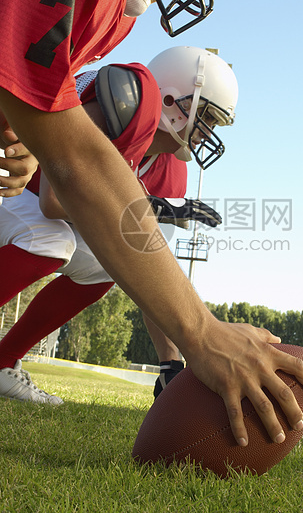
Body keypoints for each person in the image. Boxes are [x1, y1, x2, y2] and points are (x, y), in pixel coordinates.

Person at [0, 0, 303, 448]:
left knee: (107, 257)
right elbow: (72, 175)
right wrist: (201, 332)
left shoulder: (115, 17)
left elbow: (140, 248)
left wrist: (176, 352)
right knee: (53, 238)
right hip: (30, 212)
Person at [0, 47, 234, 403]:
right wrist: (147, 206)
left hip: (34, 205)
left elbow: (147, 261)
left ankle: (3, 362)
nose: (208, 131)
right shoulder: (128, 100)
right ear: (171, 98)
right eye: (206, 116)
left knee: (105, 265)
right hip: (14, 179)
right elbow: (53, 201)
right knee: (51, 239)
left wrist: (170, 362)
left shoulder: (170, 169)